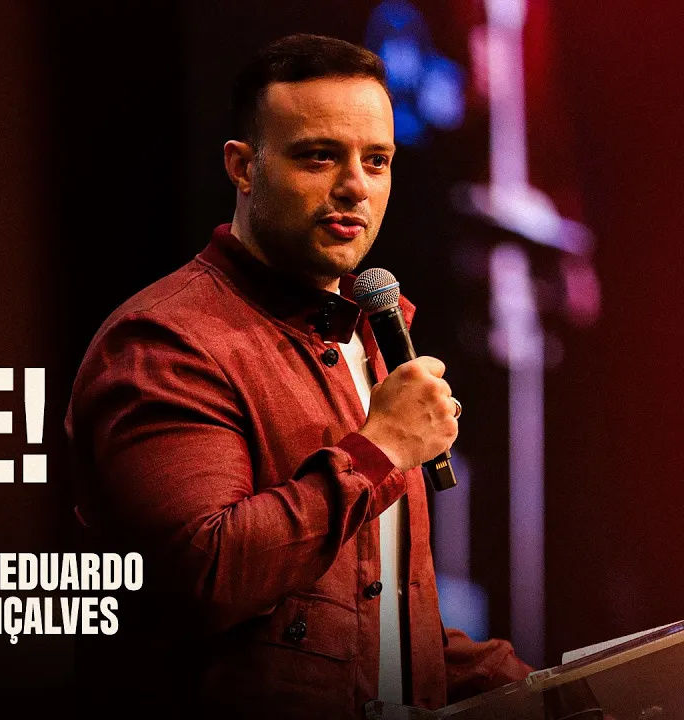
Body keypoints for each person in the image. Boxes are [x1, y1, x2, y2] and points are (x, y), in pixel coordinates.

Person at [65, 34, 532, 718]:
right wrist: (382, 449)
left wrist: (535, 690)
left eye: (376, 160)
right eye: (320, 156)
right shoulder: (166, 343)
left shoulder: (370, 335)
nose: (355, 186)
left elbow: (364, 616)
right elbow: (204, 576)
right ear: (243, 167)